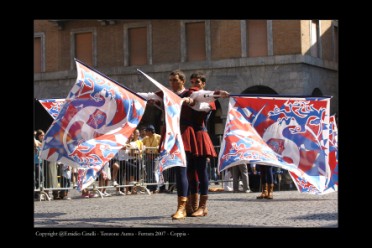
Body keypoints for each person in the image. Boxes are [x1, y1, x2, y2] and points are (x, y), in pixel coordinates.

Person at [186, 72, 230, 217]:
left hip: (200, 135)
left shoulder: (208, 100)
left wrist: (218, 93)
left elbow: (204, 98)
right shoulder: (191, 95)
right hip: (189, 136)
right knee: (190, 171)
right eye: (192, 82)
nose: (194, 85)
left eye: (197, 82)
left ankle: (203, 206)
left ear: (203, 84)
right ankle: (192, 204)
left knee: (201, 170)